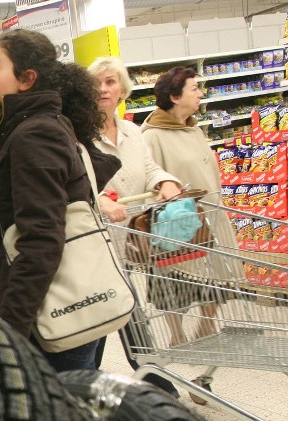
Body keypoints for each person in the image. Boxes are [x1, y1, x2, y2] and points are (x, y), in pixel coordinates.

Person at [0, 29, 121, 372]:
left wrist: (11, 329)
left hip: (56, 312)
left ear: (27, 79)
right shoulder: (43, 125)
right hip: (72, 304)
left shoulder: (33, 135)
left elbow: (41, 239)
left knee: (57, 415)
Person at [88, 56, 183, 396]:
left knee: (122, 306)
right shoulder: (78, 135)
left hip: (129, 239)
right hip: (95, 242)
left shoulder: (132, 131)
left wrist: (166, 182)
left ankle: (139, 376)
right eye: (97, 82)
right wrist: (100, 200)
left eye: (111, 81)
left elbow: (149, 168)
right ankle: (149, 378)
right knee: (107, 310)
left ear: (122, 89)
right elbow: (76, 183)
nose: (103, 88)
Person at [140, 66, 241, 347]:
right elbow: (149, 180)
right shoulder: (152, 135)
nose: (200, 94)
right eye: (194, 89)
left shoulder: (194, 128)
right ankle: (176, 333)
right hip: (178, 223)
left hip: (210, 216)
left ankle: (206, 327)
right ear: (174, 96)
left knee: (218, 277)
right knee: (174, 284)